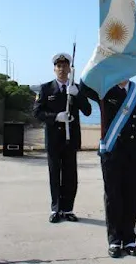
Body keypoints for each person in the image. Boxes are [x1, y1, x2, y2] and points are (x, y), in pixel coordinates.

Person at [81, 79, 136, 258]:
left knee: (132, 195)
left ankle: (130, 239)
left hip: (135, 150)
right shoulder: (104, 90)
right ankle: (115, 240)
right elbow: (85, 85)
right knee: (113, 196)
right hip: (112, 152)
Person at [32, 53, 92, 223]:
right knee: (54, 174)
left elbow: (87, 110)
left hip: (70, 138)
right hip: (53, 138)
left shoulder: (76, 88)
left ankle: (68, 209)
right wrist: (55, 117)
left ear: (69, 69)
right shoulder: (45, 88)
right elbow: (37, 112)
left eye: (65, 66)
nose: (62, 69)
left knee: (70, 175)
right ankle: (55, 209)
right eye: (59, 66)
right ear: (54, 69)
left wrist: (77, 95)